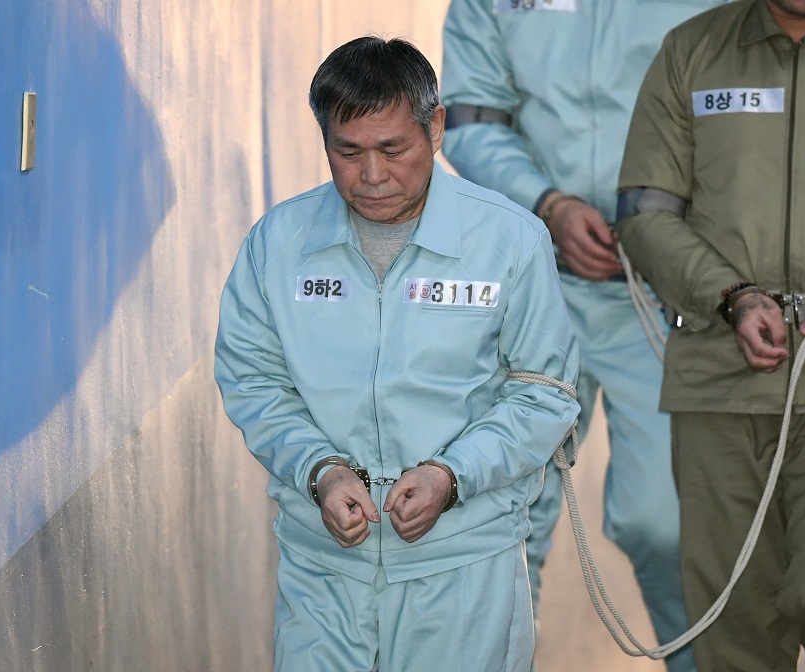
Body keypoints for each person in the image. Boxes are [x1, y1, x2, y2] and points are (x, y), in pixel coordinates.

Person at [215, 36, 580, 672]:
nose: (373, 175)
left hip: (462, 568)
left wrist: (452, 475)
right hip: (324, 570)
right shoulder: (278, 244)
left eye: (394, 149)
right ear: (325, 141)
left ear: (435, 128)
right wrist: (320, 470)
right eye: (348, 153)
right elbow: (255, 382)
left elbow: (544, 391)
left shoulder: (508, 240)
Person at [440, 2, 725, 670]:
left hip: (664, 294)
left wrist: (668, 227)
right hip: (531, 287)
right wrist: (549, 205)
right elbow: (470, 116)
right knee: (503, 526)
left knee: (669, 525)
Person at [616, 0, 805, 669]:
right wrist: (729, 296)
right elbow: (645, 211)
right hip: (719, 381)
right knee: (732, 631)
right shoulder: (690, 49)